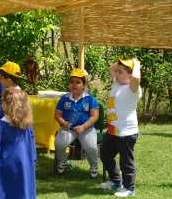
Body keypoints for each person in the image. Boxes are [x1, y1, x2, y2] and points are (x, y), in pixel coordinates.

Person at [0, 87, 36, 199]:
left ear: (5, 105)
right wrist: (32, 160)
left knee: (3, 192)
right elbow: (32, 146)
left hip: (4, 167)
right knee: (23, 191)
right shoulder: (27, 126)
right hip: (25, 165)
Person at [100, 58, 142, 197]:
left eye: (121, 72)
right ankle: (116, 182)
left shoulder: (133, 88)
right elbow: (111, 68)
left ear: (130, 75)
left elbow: (136, 77)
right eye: (117, 72)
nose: (116, 74)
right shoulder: (116, 84)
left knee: (126, 162)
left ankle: (129, 188)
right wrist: (120, 65)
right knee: (105, 155)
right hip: (112, 131)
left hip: (127, 133)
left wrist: (136, 64)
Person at [54, 68, 100, 178]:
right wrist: (63, 123)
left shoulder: (90, 99)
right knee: (59, 143)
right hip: (68, 128)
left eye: (78, 82)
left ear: (84, 85)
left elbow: (95, 116)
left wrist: (83, 127)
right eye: (72, 82)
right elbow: (57, 115)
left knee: (91, 147)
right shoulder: (64, 99)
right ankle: (62, 162)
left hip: (86, 128)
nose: (74, 85)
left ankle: (94, 166)